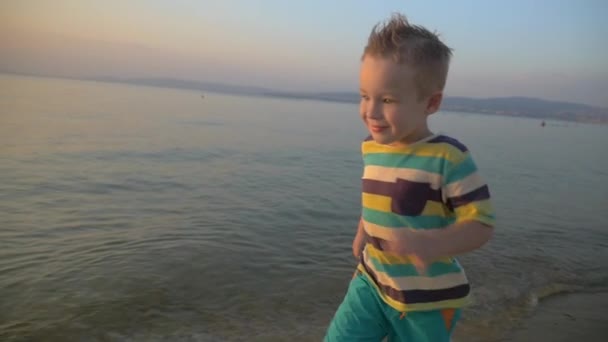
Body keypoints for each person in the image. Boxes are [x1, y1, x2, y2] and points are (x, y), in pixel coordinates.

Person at [325, 13, 495, 342]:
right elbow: (378, 200)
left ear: (431, 102)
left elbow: (481, 224)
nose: (370, 111)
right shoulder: (372, 148)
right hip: (372, 279)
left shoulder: (448, 158)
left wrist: (434, 243)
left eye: (387, 100)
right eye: (364, 96)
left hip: (427, 300)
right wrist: (362, 231)